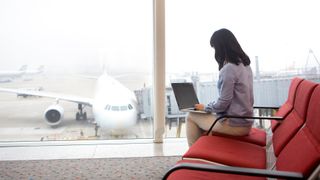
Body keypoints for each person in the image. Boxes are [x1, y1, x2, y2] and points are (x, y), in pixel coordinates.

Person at [186, 28, 254, 147]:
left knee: (191, 116)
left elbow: (223, 103)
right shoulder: (245, 65)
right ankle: (202, 151)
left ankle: (192, 157)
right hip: (245, 122)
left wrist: (205, 107)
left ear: (221, 47)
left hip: (234, 125)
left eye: (215, 48)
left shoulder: (229, 69)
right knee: (206, 117)